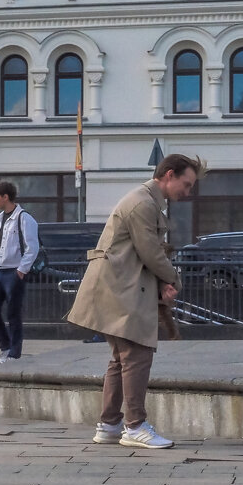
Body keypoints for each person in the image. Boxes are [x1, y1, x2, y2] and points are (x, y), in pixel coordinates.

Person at [67, 154, 201, 450]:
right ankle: (135, 426)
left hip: (117, 286)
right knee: (138, 354)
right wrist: (174, 280)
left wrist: (161, 282)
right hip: (119, 289)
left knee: (121, 358)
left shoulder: (145, 200)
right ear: (168, 174)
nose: (187, 192)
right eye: (186, 184)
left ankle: (110, 424)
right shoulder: (143, 203)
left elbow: (143, 253)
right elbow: (150, 252)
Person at [0, 181, 40, 365]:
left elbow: (32, 247)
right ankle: (5, 347)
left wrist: (21, 270)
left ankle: (14, 353)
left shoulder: (24, 218)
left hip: (13, 272)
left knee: (13, 313)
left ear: (5, 197)